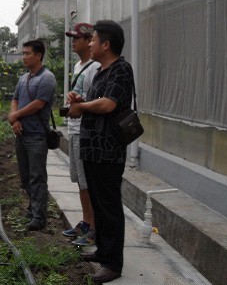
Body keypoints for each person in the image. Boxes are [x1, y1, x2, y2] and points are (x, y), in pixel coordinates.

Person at [67, 20, 134, 283]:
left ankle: (113, 264)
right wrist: (81, 101)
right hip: (93, 150)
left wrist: (81, 107)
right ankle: (104, 251)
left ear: (106, 44)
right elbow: (97, 102)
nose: (90, 44)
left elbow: (108, 105)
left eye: (93, 39)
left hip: (108, 151)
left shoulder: (120, 70)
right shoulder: (102, 72)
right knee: (98, 203)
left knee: (109, 206)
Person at [8, 39, 56, 231]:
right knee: (25, 176)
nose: (24, 57)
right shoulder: (23, 79)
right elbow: (15, 99)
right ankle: (32, 208)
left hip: (37, 136)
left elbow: (38, 104)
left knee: (37, 176)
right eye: (23, 53)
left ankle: (39, 217)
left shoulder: (47, 78)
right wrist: (15, 120)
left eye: (27, 53)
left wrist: (15, 115)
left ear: (38, 55)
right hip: (21, 134)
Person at [61, 23, 100, 247]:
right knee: (79, 180)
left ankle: (94, 227)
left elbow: (97, 100)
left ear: (88, 41)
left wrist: (81, 103)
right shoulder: (78, 65)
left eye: (77, 38)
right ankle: (86, 222)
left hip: (86, 130)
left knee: (88, 182)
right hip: (74, 128)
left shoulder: (95, 67)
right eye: (72, 38)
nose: (73, 42)